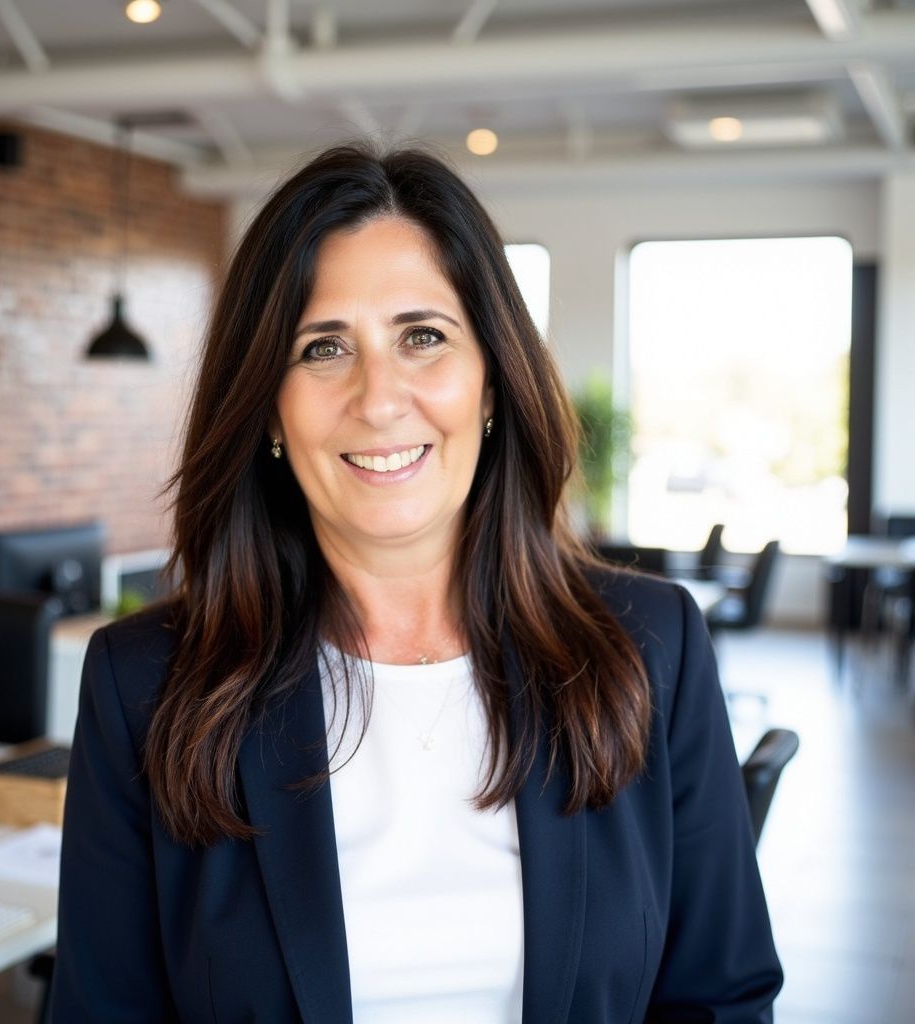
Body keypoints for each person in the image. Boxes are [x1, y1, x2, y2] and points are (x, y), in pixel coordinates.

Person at [49, 144, 782, 1023]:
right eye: (323, 348)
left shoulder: (651, 646)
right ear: (268, 410)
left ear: (490, 383)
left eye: (422, 337)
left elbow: (721, 997)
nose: (379, 397)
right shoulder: (146, 685)